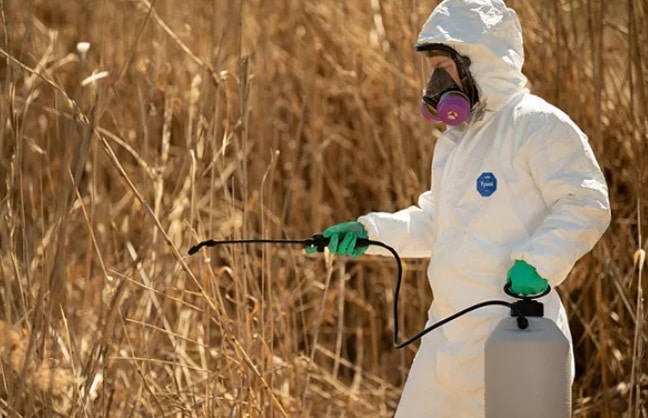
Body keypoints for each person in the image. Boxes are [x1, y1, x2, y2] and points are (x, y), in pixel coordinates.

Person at [306, 0, 611, 416]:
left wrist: (539, 264)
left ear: (478, 64)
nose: (434, 81)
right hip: (445, 341)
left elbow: (587, 201)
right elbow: (435, 223)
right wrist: (370, 234)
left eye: (443, 69)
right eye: (432, 69)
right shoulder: (454, 141)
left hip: (514, 335)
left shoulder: (537, 125)